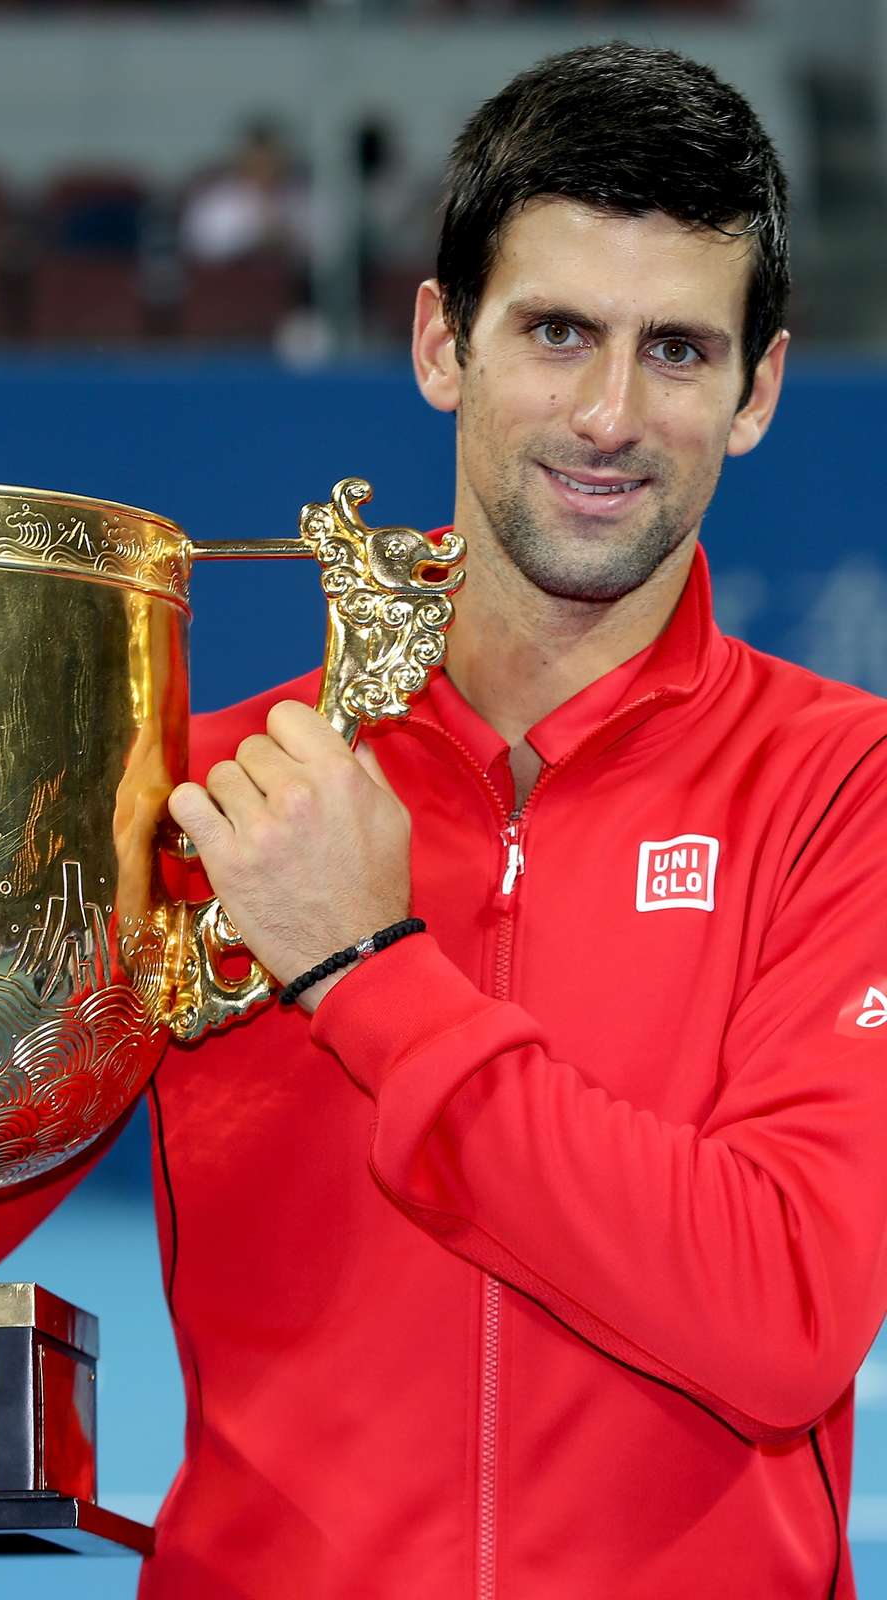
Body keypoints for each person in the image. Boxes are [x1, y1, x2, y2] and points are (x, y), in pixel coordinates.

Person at [150, 41, 887, 1600]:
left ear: (756, 391)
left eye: (678, 352)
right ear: (442, 341)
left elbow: (783, 1314)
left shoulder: (846, 790)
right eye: (556, 331)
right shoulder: (222, 796)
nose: (610, 415)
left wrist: (362, 971)